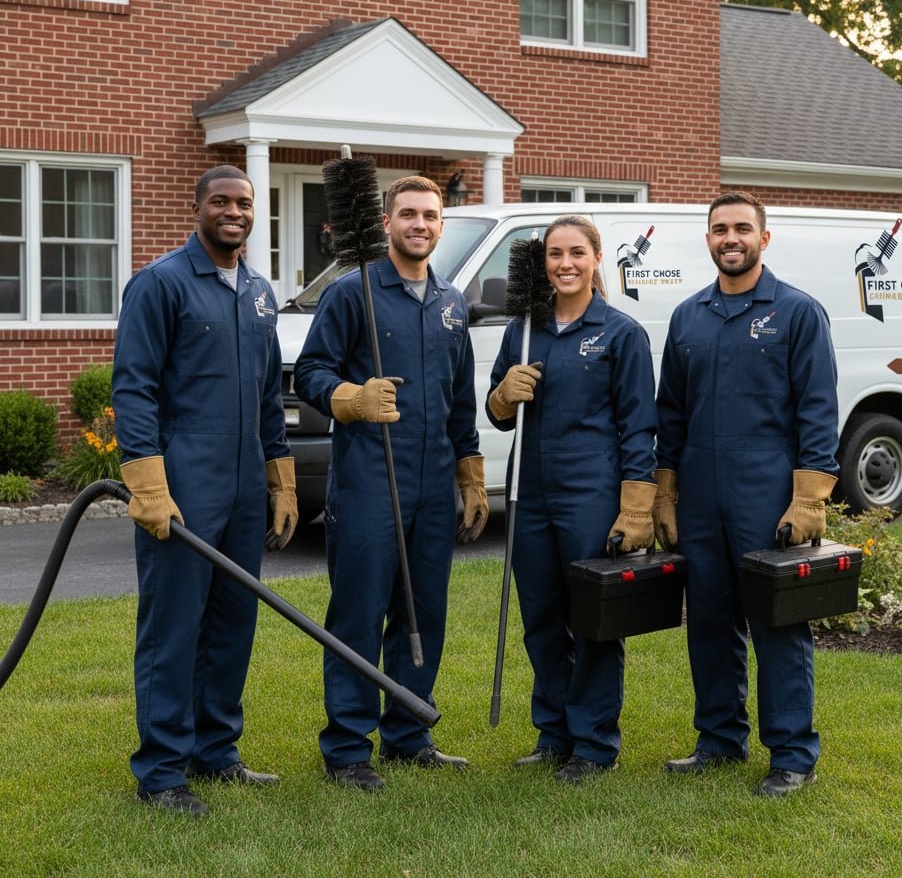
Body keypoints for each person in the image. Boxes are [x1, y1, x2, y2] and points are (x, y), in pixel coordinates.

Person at [112, 164, 299, 816]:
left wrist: (281, 479)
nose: (235, 212)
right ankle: (162, 771)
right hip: (183, 490)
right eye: (222, 201)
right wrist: (147, 483)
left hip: (246, 489)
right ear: (199, 209)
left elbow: (268, 392)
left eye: (244, 203)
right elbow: (133, 388)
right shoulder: (160, 285)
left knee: (231, 624)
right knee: (173, 629)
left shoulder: (257, 292)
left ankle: (216, 752)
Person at [293, 175, 487, 792]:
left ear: (440, 226)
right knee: (358, 612)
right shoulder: (354, 294)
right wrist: (349, 397)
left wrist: (471, 472)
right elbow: (311, 373)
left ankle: (408, 734)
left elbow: (459, 398)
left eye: (430, 216)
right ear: (386, 223)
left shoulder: (452, 301)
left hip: (432, 485)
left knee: (423, 612)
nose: (420, 225)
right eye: (408, 214)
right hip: (370, 484)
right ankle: (348, 747)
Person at [654, 191, 839, 798]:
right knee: (708, 619)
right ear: (707, 239)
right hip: (701, 494)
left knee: (777, 622)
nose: (729, 238)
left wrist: (809, 498)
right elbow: (672, 413)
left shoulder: (797, 313)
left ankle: (791, 754)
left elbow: (817, 410)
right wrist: (664, 491)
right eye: (718, 230)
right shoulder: (688, 317)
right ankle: (718, 740)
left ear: (764, 237)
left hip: (770, 493)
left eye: (741, 228)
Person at [485, 214, 657, 784]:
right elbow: (495, 411)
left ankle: (594, 742)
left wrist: (636, 508)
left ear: (596, 257)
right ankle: (554, 731)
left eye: (576, 253)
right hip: (529, 493)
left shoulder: (621, 333)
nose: (564, 264)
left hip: (591, 493)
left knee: (592, 621)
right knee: (541, 617)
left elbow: (639, 428)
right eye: (555, 254)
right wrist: (504, 397)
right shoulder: (523, 330)